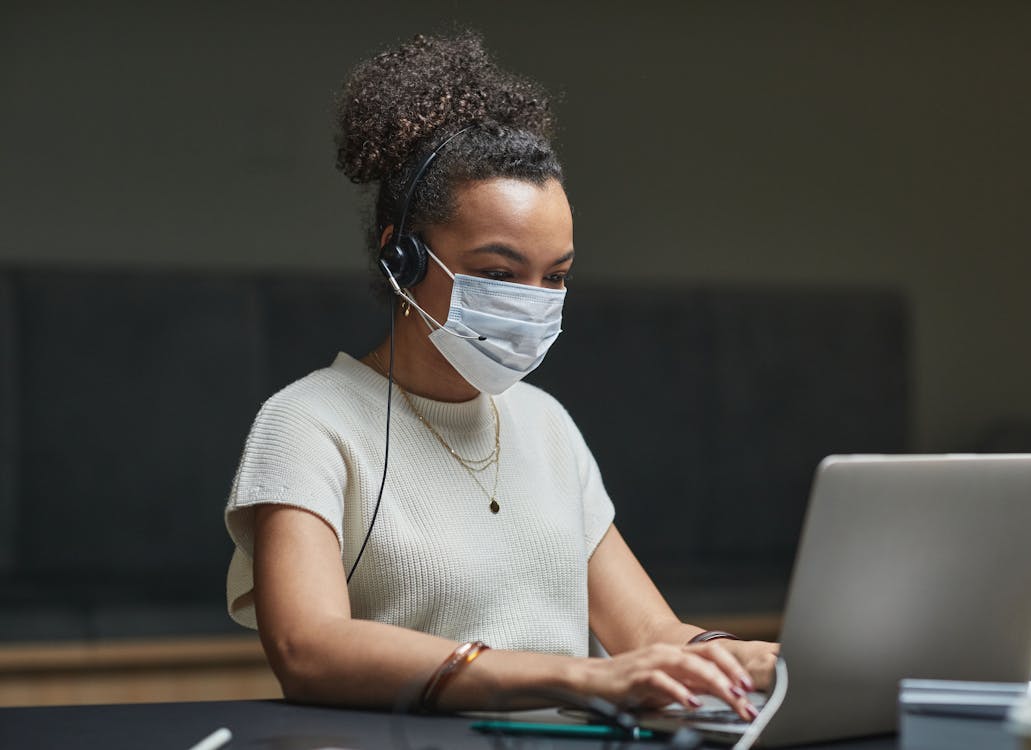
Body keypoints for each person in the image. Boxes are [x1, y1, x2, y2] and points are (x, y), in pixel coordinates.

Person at [224, 31, 777, 717]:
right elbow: (309, 649)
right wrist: (577, 678)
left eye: (556, 277)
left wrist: (751, 660)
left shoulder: (544, 422)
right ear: (402, 260)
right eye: (497, 273)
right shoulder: (306, 423)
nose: (532, 300)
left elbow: (647, 634)